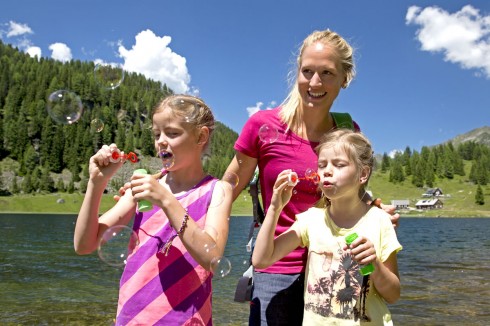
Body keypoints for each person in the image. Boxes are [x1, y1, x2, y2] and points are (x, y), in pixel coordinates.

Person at [224, 29, 400, 325]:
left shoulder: (348, 130)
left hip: (337, 264)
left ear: (344, 78)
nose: (315, 82)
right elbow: (229, 184)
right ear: (298, 72)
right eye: (308, 71)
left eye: (327, 73)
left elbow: (353, 195)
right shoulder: (262, 125)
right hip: (278, 265)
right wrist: (189, 221)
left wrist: (374, 211)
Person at [74, 94, 232, 325]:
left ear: (201, 136)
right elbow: (84, 245)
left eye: (173, 133)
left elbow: (212, 258)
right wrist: (96, 184)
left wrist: (166, 200)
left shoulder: (217, 190)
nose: (161, 141)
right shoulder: (142, 187)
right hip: (132, 318)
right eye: (157, 134)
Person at [252, 129, 402, 325]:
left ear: (363, 174)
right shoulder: (311, 220)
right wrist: (275, 207)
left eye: (338, 164)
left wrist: (373, 265)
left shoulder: (380, 221)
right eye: (322, 165)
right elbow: (262, 260)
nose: (327, 171)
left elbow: (393, 295)